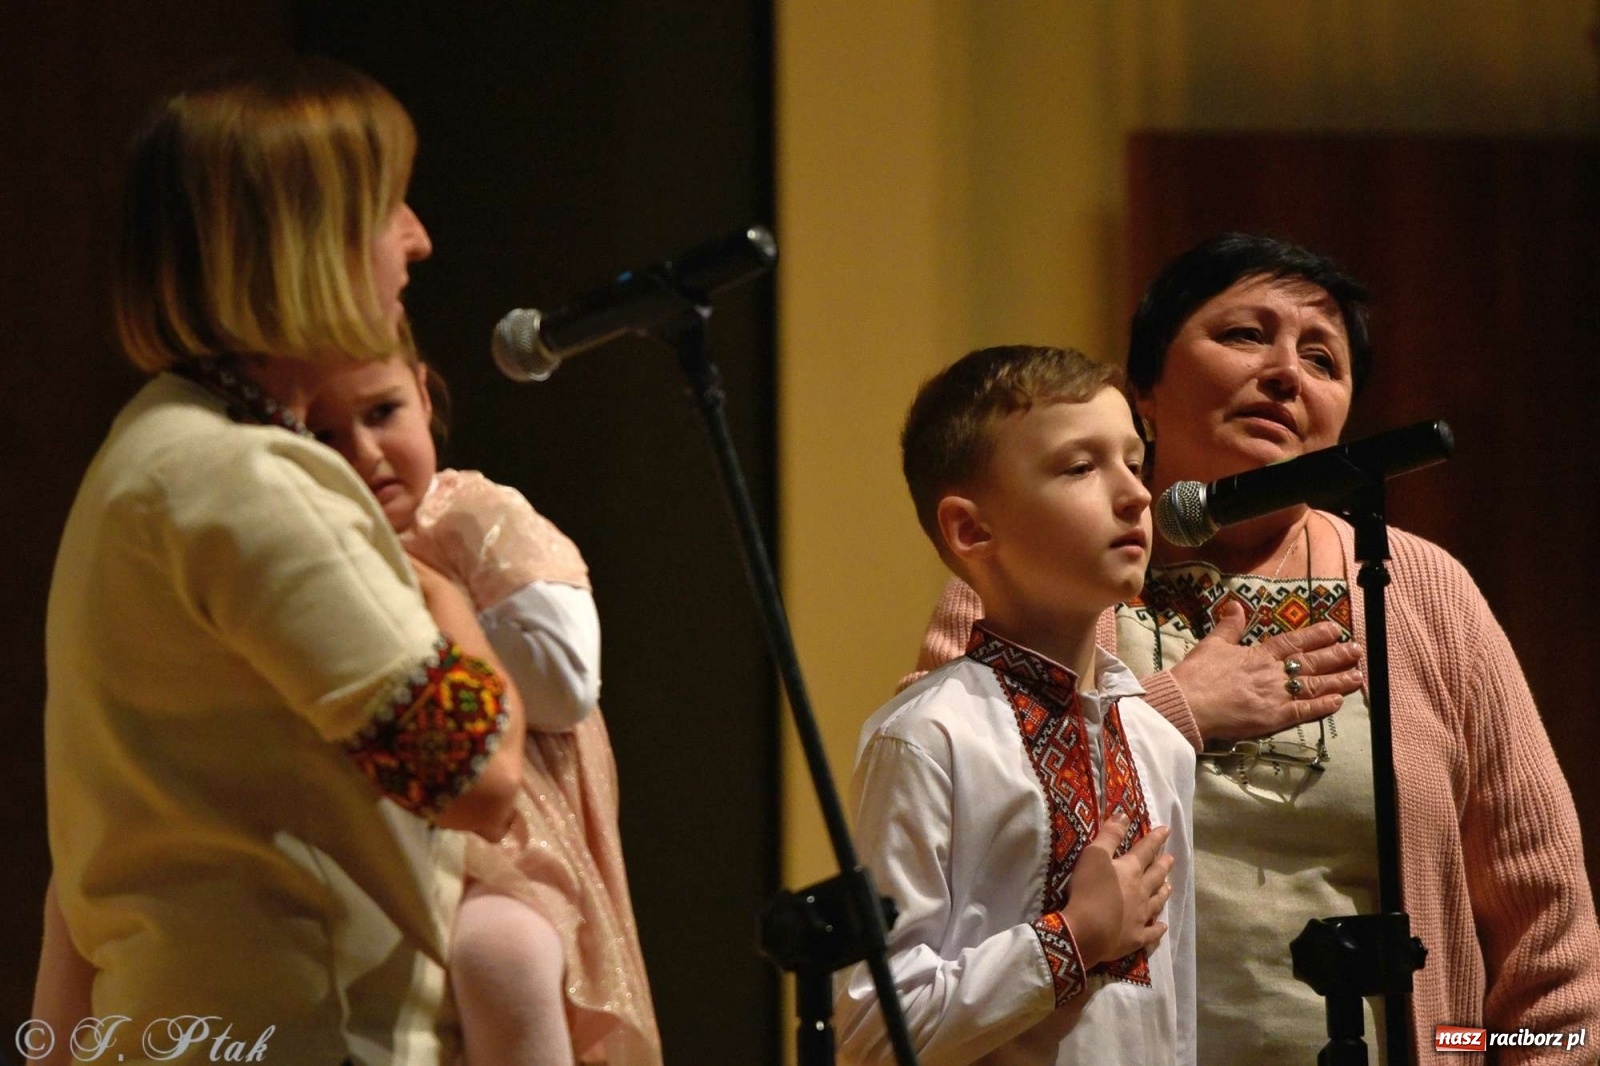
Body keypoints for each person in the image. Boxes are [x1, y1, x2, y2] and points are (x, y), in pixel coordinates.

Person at [909, 234, 1600, 1063]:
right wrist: (1174, 713)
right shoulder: (1026, 571)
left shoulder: (1420, 591)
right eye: (1245, 335)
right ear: (1143, 392)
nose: (1286, 374)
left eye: (1323, 359)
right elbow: (954, 836)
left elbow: (1551, 939)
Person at [38, 57, 525, 1065]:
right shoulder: (245, 481)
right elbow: (477, 775)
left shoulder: (164, 441)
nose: (417, 238)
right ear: (311, 243)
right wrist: (447, 598)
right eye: (386, 207)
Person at [300, 335, 663, 1065]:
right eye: (325, 435)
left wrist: (433, 606)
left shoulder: (470, 516)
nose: (364, 453)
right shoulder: (314, 548)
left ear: (424, 396)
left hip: (515, 836)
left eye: (382, 413)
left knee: (503, 950)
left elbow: (565, 683)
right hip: (383, 826)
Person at [835, 346, 1195, 1065]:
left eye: (1135, 462)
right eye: (1081, 467)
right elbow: (871, 1030)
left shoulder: (1161, 744)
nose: (1136, 495)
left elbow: (1174, 1015)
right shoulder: (927, 738)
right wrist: (1072, 940)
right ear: (971, 530)